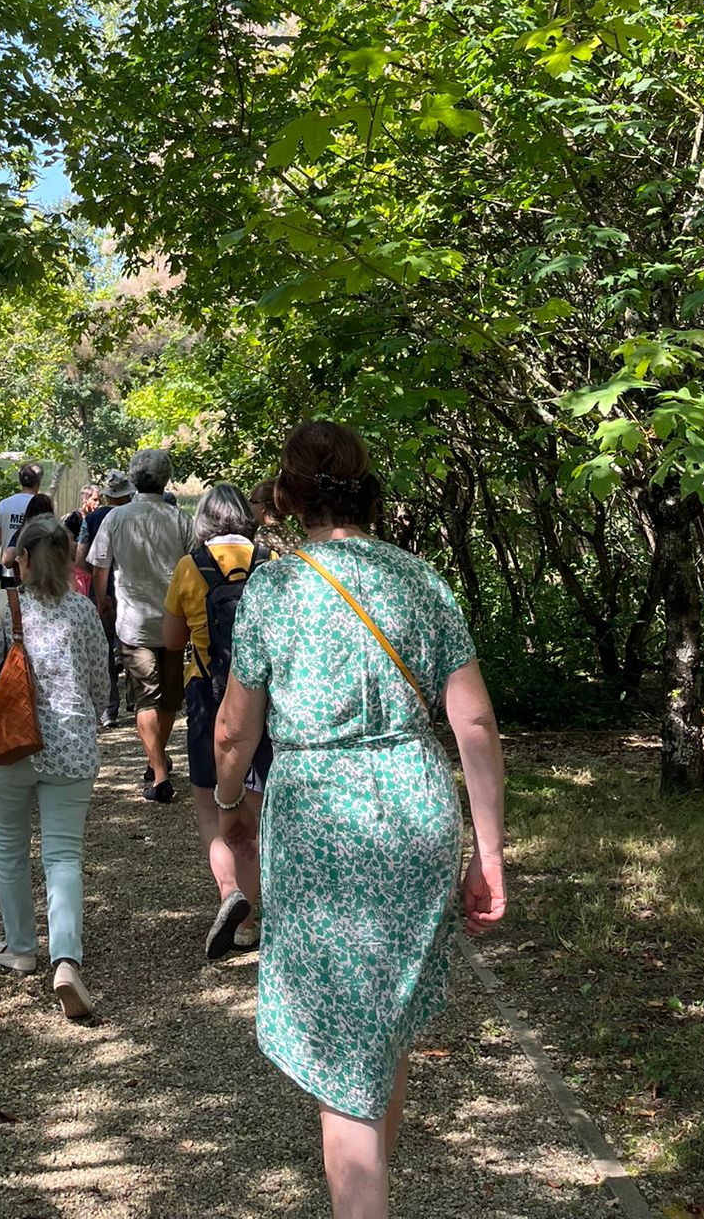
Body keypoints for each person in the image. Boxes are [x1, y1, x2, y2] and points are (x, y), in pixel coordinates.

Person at [213, 420, 507, 1219]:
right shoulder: (420, 579)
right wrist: (489, 854)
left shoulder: (275, 588)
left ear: (285, 496)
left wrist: (231, 811)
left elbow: (233, 731)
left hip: (319, 818)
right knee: (379, 1025)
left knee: (341, 1056)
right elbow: (473, 725)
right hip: (414, 806)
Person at [0, 513, 108, 1020]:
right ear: (69, 558)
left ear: (22, 558)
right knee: (64, 855)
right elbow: (100, 687)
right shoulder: (84, 611)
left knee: (9, 846)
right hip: (71, 745)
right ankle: (65, 959)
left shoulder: (4, 607)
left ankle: (21, 947)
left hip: (11, 743)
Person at [162, 482, 270, 959]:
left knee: (211, 804)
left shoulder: (190, 567)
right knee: (256, 803)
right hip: (265, 701)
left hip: (209, 696)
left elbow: (169, 640)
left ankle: (232, 897)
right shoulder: (271, 563)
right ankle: (259, 913)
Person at [87, 447, 191, 801]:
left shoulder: (115, 519)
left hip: (133, 623)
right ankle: (159, 768)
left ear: (133, 478)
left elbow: (100, 568)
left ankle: (157, 766)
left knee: (147, 697)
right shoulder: (180, 519)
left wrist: (104, 602)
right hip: (175, 621)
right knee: (169, 700)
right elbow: (193, 568)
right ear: (166, 479)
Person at [78, 468, 133, 727]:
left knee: (104, 650)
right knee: (135, 644)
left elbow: (80, 558)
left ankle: (109, 709)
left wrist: (99, 573)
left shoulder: (91, 520)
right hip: (133, 588)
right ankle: (138, 699)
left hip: (101, 591)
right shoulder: (134, 516)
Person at [0, 460, 44, 583]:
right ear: (39, 480)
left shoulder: (4, 504)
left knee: (9, 601)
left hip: (9, 570)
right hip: (34, 573)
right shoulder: (42, 505)